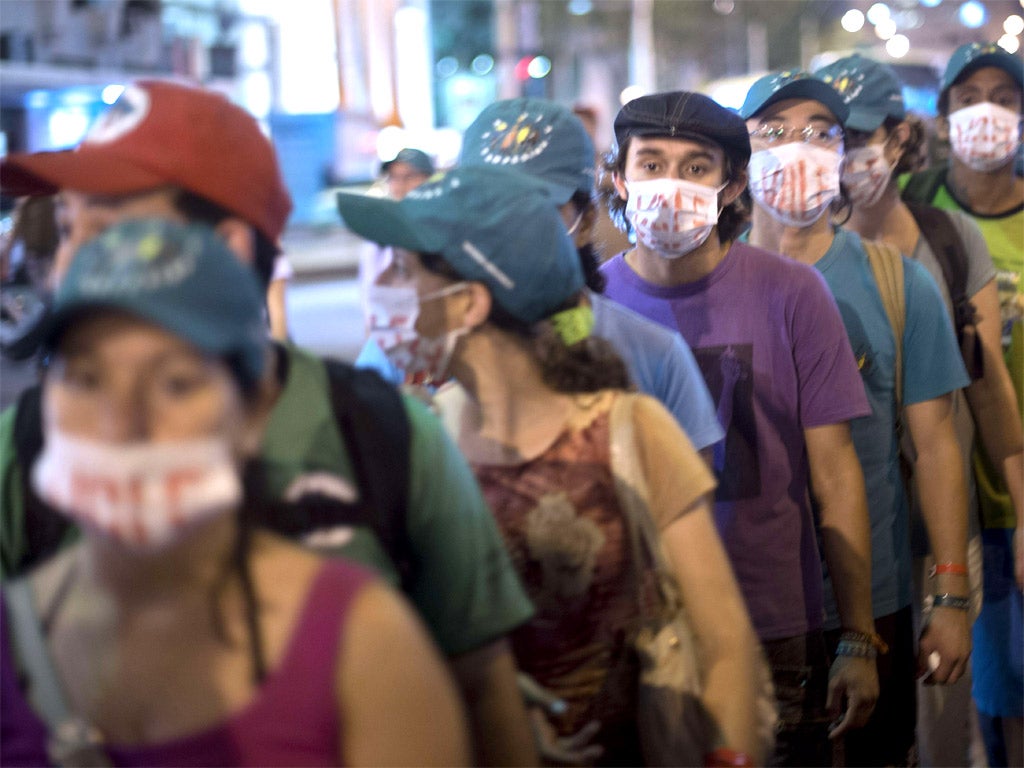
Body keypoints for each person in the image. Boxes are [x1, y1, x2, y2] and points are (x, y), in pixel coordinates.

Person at [0, 79, 537, 766]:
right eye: (69, 229)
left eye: (108, 230)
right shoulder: (25, 449)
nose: (69, 264)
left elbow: (487, 698)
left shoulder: (383, 437)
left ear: (226, 246)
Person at [337, 163, 767, 768]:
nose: (382, 282)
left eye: (405, 269)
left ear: (469, 303)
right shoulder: (421, 438)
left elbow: (726, 645)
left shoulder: (631, 430)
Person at [0, 217, 470, 766]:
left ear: (254, 410)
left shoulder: (364, 647)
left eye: (175, 381)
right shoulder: (12, 639)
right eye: (84, 376)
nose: (119, 422)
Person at [598, 90, 877, 766]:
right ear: (619, 179)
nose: (671, 184)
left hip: (773, 629)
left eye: (697, 168)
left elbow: (836, 476)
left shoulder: (793, 292)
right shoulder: (589, 308)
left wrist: (859, 638)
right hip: (632, 633)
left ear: (732, 187)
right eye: (652, 163)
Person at [739, 68, 972, 766]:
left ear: (843, 154)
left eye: (818, 133)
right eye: (771, 133)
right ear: (739, 158)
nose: (795, 148)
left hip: (875, 602)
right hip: (745, 603)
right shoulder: (708, 282)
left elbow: (935, 448)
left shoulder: (898, 282)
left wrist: (952, 596)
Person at [815, 53, 1021, 767]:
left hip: (939, 529)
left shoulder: (943, 239)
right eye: (827, 138)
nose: (843, 156)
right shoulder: (791, 257)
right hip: (843, 541)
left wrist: (1018, 516)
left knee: (935, 727)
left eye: (859, 136)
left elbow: (987, 386)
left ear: (900, 139)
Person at [365, 96, 724, 457]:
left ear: (585, 223)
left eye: (537, 210)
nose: (509, 227)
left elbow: (686, 503)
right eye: (488, 205)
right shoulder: (412, 346)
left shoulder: (655, 357)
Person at [900, 42, 1024, 768]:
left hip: (1014, 485)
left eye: (1006, 99)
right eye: (969, 95)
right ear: (943, 114)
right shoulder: (916, 210)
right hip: (950, 501)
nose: (988, 111)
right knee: (978, 692)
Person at [356, 147, 436, 337]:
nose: (400, 185)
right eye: (393, 177)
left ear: (429, 180)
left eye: (409, 176)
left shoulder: (441, 229)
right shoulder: (378, 234)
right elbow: (369, 292)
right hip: (391, 330)